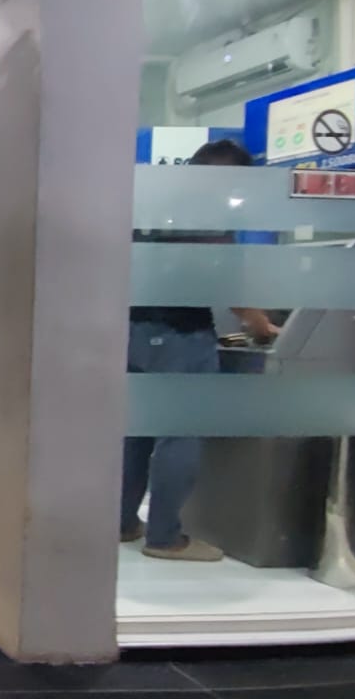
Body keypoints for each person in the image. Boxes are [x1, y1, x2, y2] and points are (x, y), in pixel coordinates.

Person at [121, 139, 281, 562]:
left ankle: (122, 522)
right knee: (181, 433)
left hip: (133, 331)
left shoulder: (156, 209)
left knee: (135, 432)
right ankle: (164, 537)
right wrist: (261, 324)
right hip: (180, 335)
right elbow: (227, 286)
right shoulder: (207, 218)